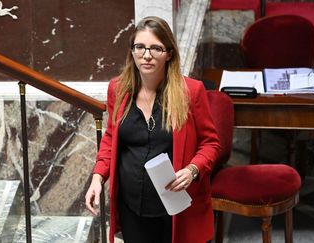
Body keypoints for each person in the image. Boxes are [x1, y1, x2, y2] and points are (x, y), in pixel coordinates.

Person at [85, 16, 221, 243]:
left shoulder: (191, 91)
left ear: (169, 54)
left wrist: (192, 170)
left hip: (176, 208)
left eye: (156, 48)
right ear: (132, 51)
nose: (146, 55)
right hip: (132, 206)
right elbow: (111, 137)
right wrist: (98, 177)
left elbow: (211, 143)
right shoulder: (118, 89)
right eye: (140, 47)